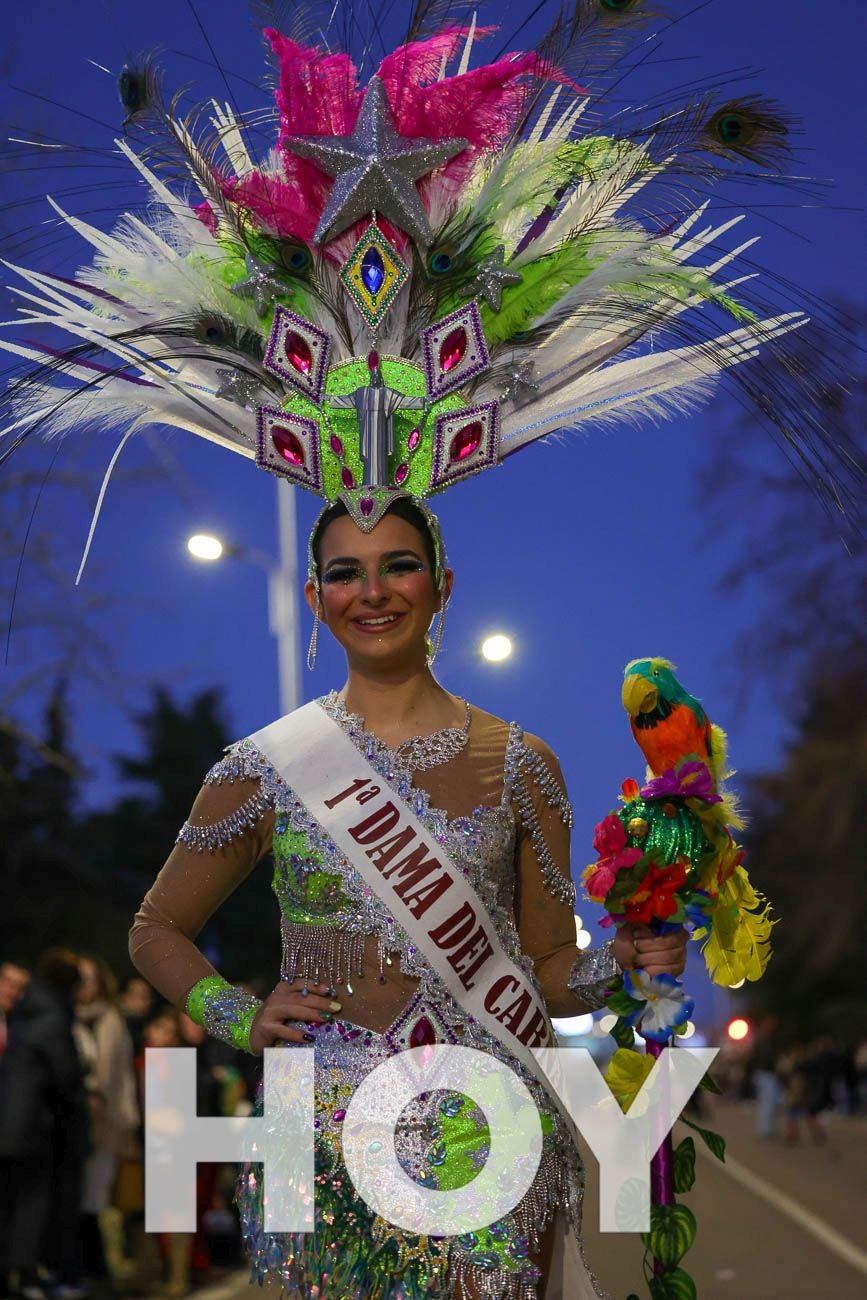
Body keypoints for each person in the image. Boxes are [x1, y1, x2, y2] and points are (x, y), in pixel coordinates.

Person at [130, 495, 686, 1300]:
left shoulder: (522, 764)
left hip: (489, 1120)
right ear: (315, 597)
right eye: (344, 574)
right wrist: (241, 1017)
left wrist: (620, 964)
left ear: (441, 584)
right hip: (326, 1123)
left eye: (399, 566)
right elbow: (156, 929)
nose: (373, 592)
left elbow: (548, 968)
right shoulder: (266, 767)